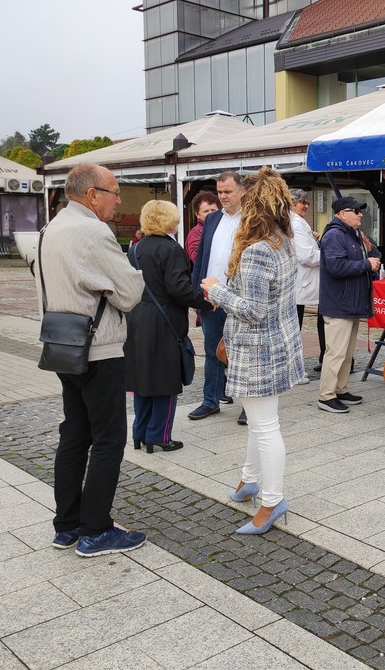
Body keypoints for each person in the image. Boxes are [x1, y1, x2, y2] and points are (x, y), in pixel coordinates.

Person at [36, 163, 146, 557]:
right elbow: (130, 292)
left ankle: (66, 526)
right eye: (114, 193)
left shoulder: (50, 229)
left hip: (62, 344)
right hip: (99, 348)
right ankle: (96, 530)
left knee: (74, 435)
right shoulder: (94, 231)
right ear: (91, 194)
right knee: (109, 438)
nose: (118, 200)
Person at [202, 167, 304, 534]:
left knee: (265, 427)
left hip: (259, 349)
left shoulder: (260, 250)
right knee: (260, 422)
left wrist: (215, 289)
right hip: (276, 344)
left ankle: (273, 501)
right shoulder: (282, 239)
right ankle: (249, 480)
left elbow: (253, 310)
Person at [125, 200, 209, 454]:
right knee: (165, 381)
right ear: (170, 220)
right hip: (163, 323)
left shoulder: (135, 249)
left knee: (143, 380)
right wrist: (205, 300)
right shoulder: (170, 249)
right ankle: (159, 435)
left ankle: (140, 433)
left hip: (138, 319)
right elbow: (179, 288)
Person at [316, 196, 381, 413]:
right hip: (339, 304)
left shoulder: (353, 234)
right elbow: (336, 267)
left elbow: (374, 256)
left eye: (360, 210)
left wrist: (370, 252)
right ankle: (326, 396)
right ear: (342, 214)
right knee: (335, 352)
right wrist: (366, 264)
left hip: (351, 303)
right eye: (355, 210)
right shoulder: (335, 235)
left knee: (347, 352)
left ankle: (341, 389)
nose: (360, 214)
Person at [190, 171, 243, 423]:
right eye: (220, 191)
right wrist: (197, 293)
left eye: (227, 191)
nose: (222, 196)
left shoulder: (251, 221)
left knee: (243, 353)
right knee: (212, 351)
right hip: (211, 298)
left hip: (239, 300)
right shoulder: (212, 221)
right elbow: (202, 258)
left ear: (241, 191)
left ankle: (248, 405)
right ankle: (210, 401)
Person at [289, 188, 324, 369]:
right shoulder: (295, 223)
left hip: (301, 281)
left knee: (296, 324)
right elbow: (307, 256)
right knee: (295, 326)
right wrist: (327, 256)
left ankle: (319, 359)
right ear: (293, 203)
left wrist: (314, 242)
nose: (307, 206)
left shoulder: (298, 222)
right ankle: (294, 367)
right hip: (300, 281)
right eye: (303, 202)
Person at [185, 190, 220, 263]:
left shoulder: (224, 227)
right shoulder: (195, 233)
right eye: (206, 211)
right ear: (197, 214)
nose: (210, 214)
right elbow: (197, 258)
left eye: (213, 210)